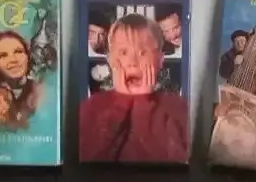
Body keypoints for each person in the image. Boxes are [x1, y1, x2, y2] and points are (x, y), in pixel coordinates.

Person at [78, 15, 189, 163]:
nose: (133, 62)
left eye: (142, 53)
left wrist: (144, 103)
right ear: (110, 60)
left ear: (160, 60)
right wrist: (121, 102)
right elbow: (88, 158)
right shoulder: (92, 106)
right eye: (124, 53)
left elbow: (175, 162)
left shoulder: (177, 107)